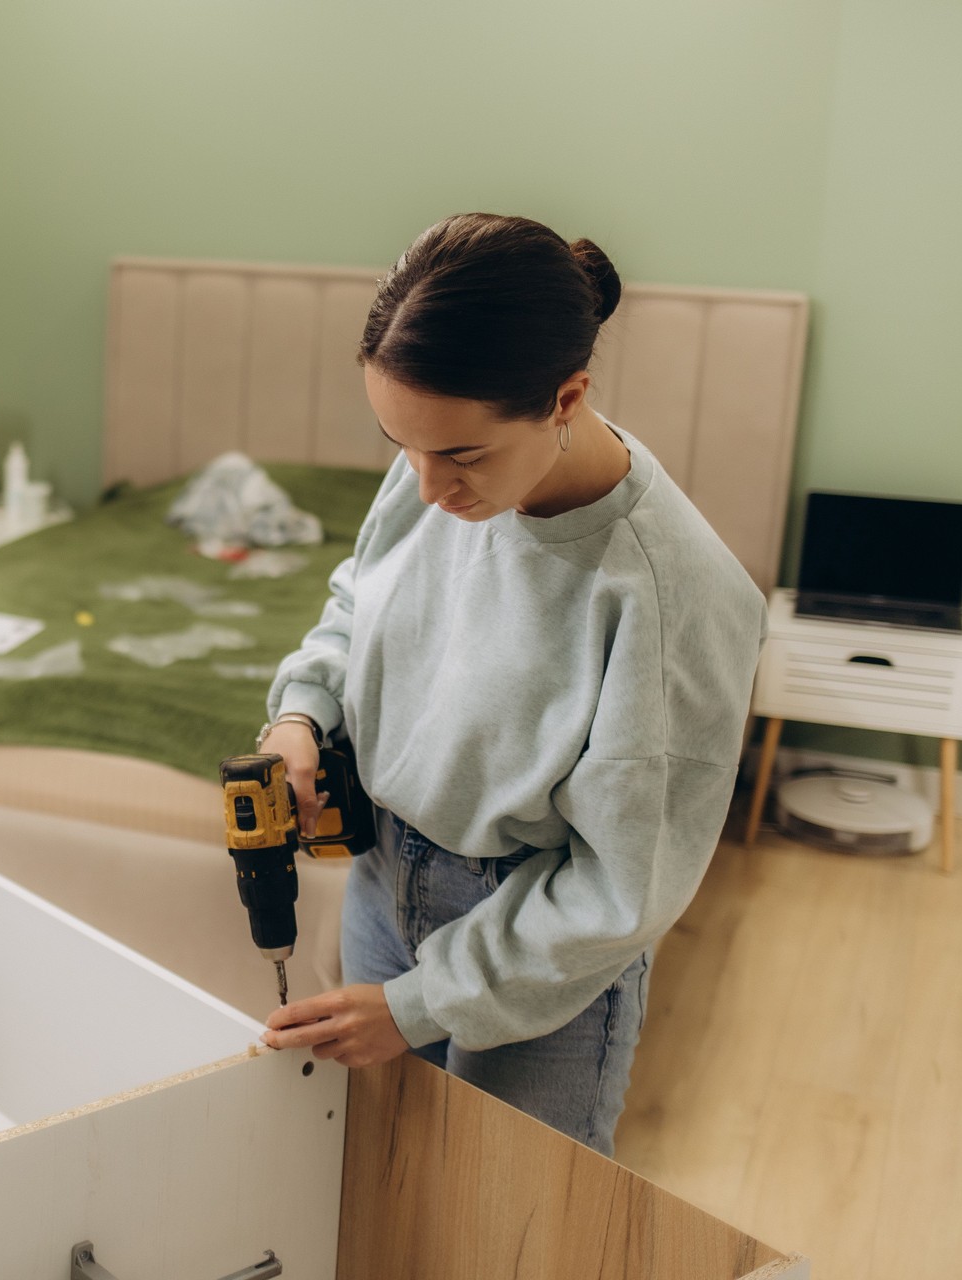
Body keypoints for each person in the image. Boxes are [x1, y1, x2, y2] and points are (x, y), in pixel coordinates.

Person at [256, 212, 765, 1157]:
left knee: (513, 1234)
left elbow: (622, 890)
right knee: (382, 1190)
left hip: (540, 950)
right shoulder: (436, 463)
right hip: (379, 882)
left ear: (566, 397)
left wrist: (420, 1004)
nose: (425, 486)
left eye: (459, 455)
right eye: (398, 442)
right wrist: (301, 714)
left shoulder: (668, 596)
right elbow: (355, 608)